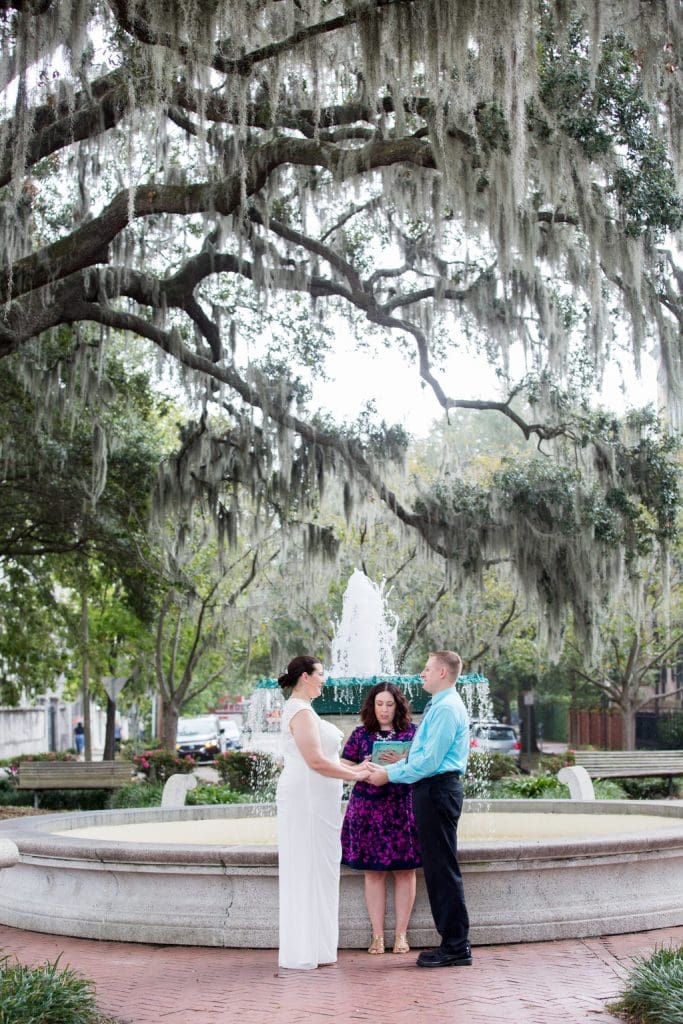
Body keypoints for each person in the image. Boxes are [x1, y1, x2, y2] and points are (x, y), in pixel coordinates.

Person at [366, 650, 472, 968]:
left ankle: (456, 945)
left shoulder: (446, 708)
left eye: (426, 669)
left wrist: (388, 774)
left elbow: (429, 761)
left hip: (438, 790)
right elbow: (423, 753)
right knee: (438, 868)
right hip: (433, 790)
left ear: (442, 672)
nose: (421, 674)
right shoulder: (439, 705)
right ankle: (453, 943)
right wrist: (402, 762)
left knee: (442, 870)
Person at [276, 654, 370, 971]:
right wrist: (356, 776)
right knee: (306, 867)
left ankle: (319, 946)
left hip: (320, 799)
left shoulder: (308, 711)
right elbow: (315, 761)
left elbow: (329, 757)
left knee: (322, 868)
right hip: (306, 797)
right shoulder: (299, 712)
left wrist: (358, 767)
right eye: (320, 674)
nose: (324, 679)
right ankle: (302, 949)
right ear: (305, 676)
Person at [340, 682, 421, 955]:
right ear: (371, 706)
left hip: (402, 806)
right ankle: (377, 936)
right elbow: (343, 764)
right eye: (379, 704)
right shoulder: (362, 734)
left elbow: (424, 765)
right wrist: (361, 767)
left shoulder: (413, 732)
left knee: (405, 871)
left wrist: (405, 759)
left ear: (398, 706)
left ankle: (401, 935)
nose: (384, 710)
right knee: (373, 872)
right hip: (368, 808)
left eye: (389, 705)